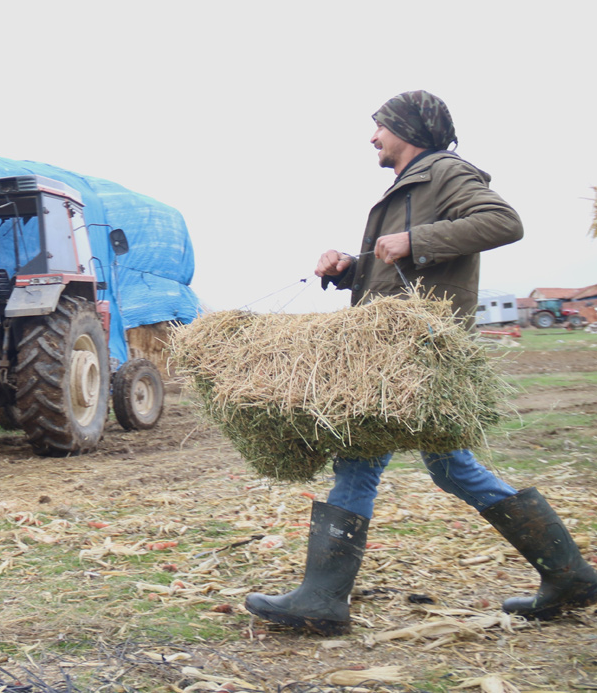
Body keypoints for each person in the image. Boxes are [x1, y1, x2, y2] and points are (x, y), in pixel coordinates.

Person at [244, 90, 597, 635]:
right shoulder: (407, 186)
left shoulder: (446, 172)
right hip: (392, 352)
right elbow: (387, 268)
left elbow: (504, 222)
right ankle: (570, 576)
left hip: (418, 353)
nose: (372, 137)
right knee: (451, 467)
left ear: (406, 128)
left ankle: (321, 599)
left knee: (362, 459)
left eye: (379, 127)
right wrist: (344, 268)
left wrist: (414, 240)